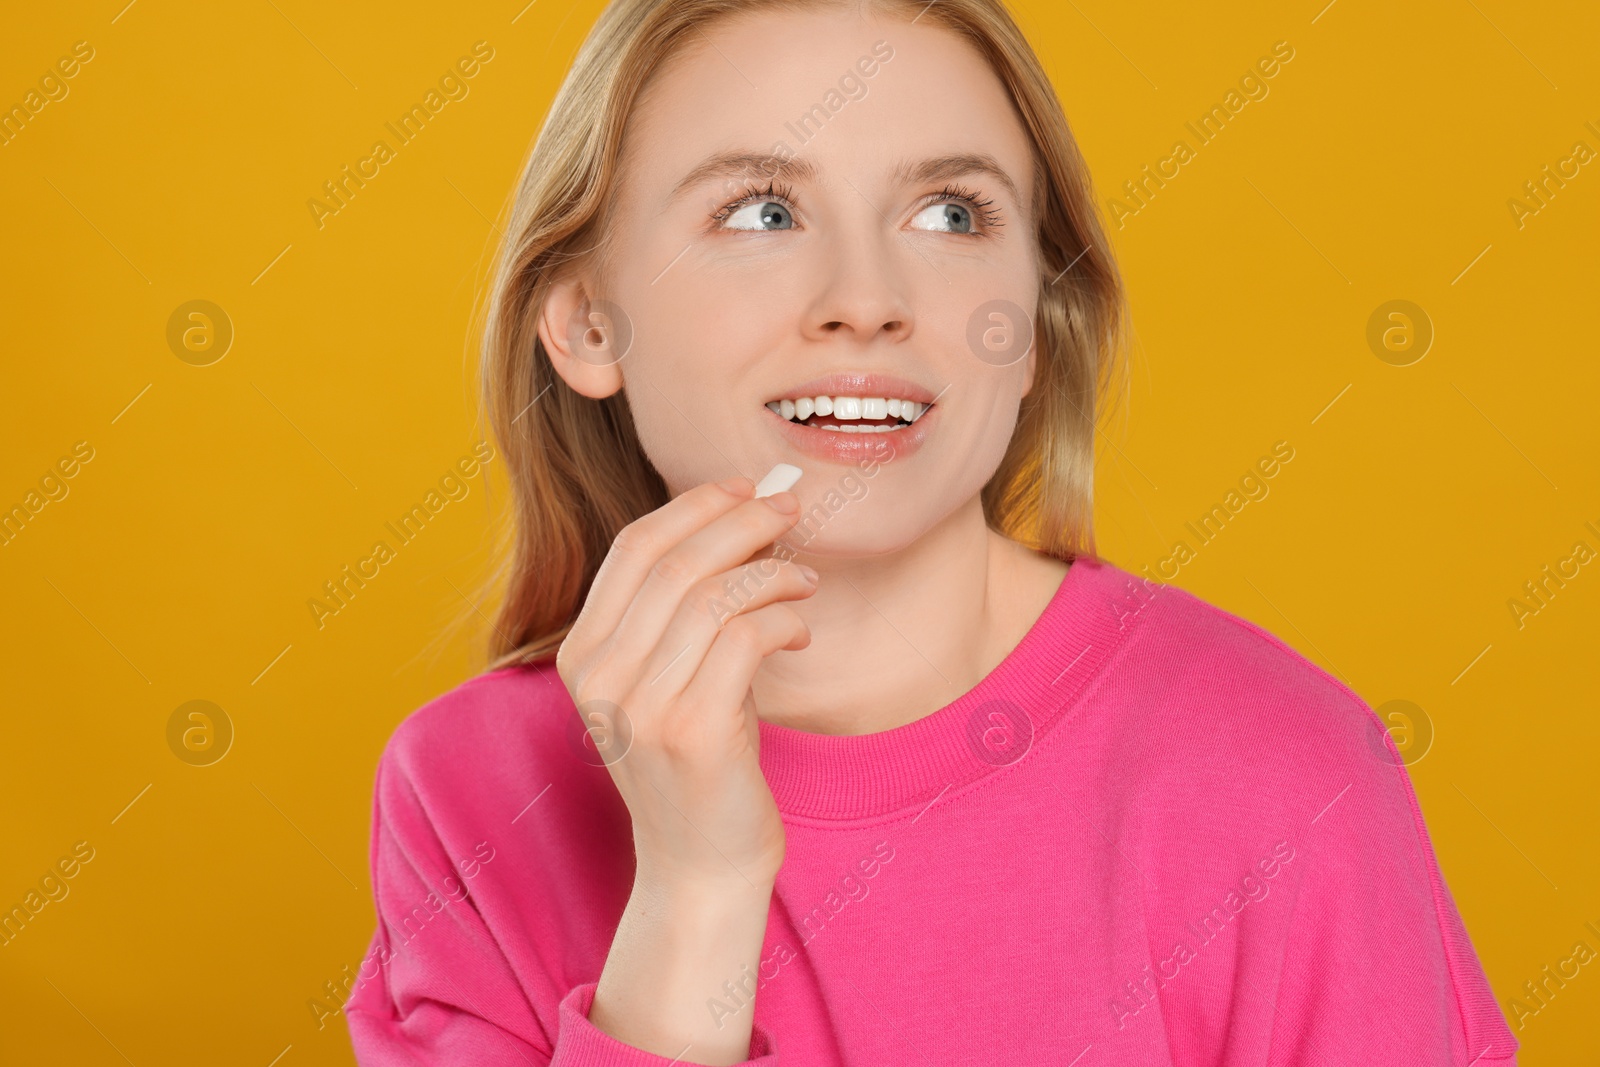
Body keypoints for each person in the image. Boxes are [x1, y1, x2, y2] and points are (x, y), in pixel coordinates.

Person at [342, 0, 1519, 1063]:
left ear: (1037, 326)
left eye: (950, 212)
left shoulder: (1281, 775)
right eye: (760, 210)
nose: (868, 294)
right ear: (588, 322)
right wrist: (697, 891)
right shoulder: (465, 797)